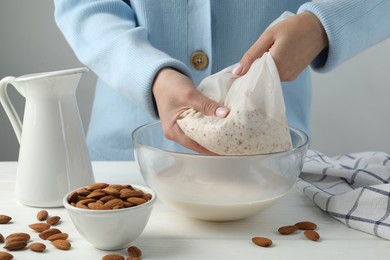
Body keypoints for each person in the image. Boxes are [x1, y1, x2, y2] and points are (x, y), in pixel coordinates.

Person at [54, 0, 390, 160]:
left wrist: (322, 23)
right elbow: (83, 5)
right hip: (128, 158)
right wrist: (149, 73)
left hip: (268, 164)